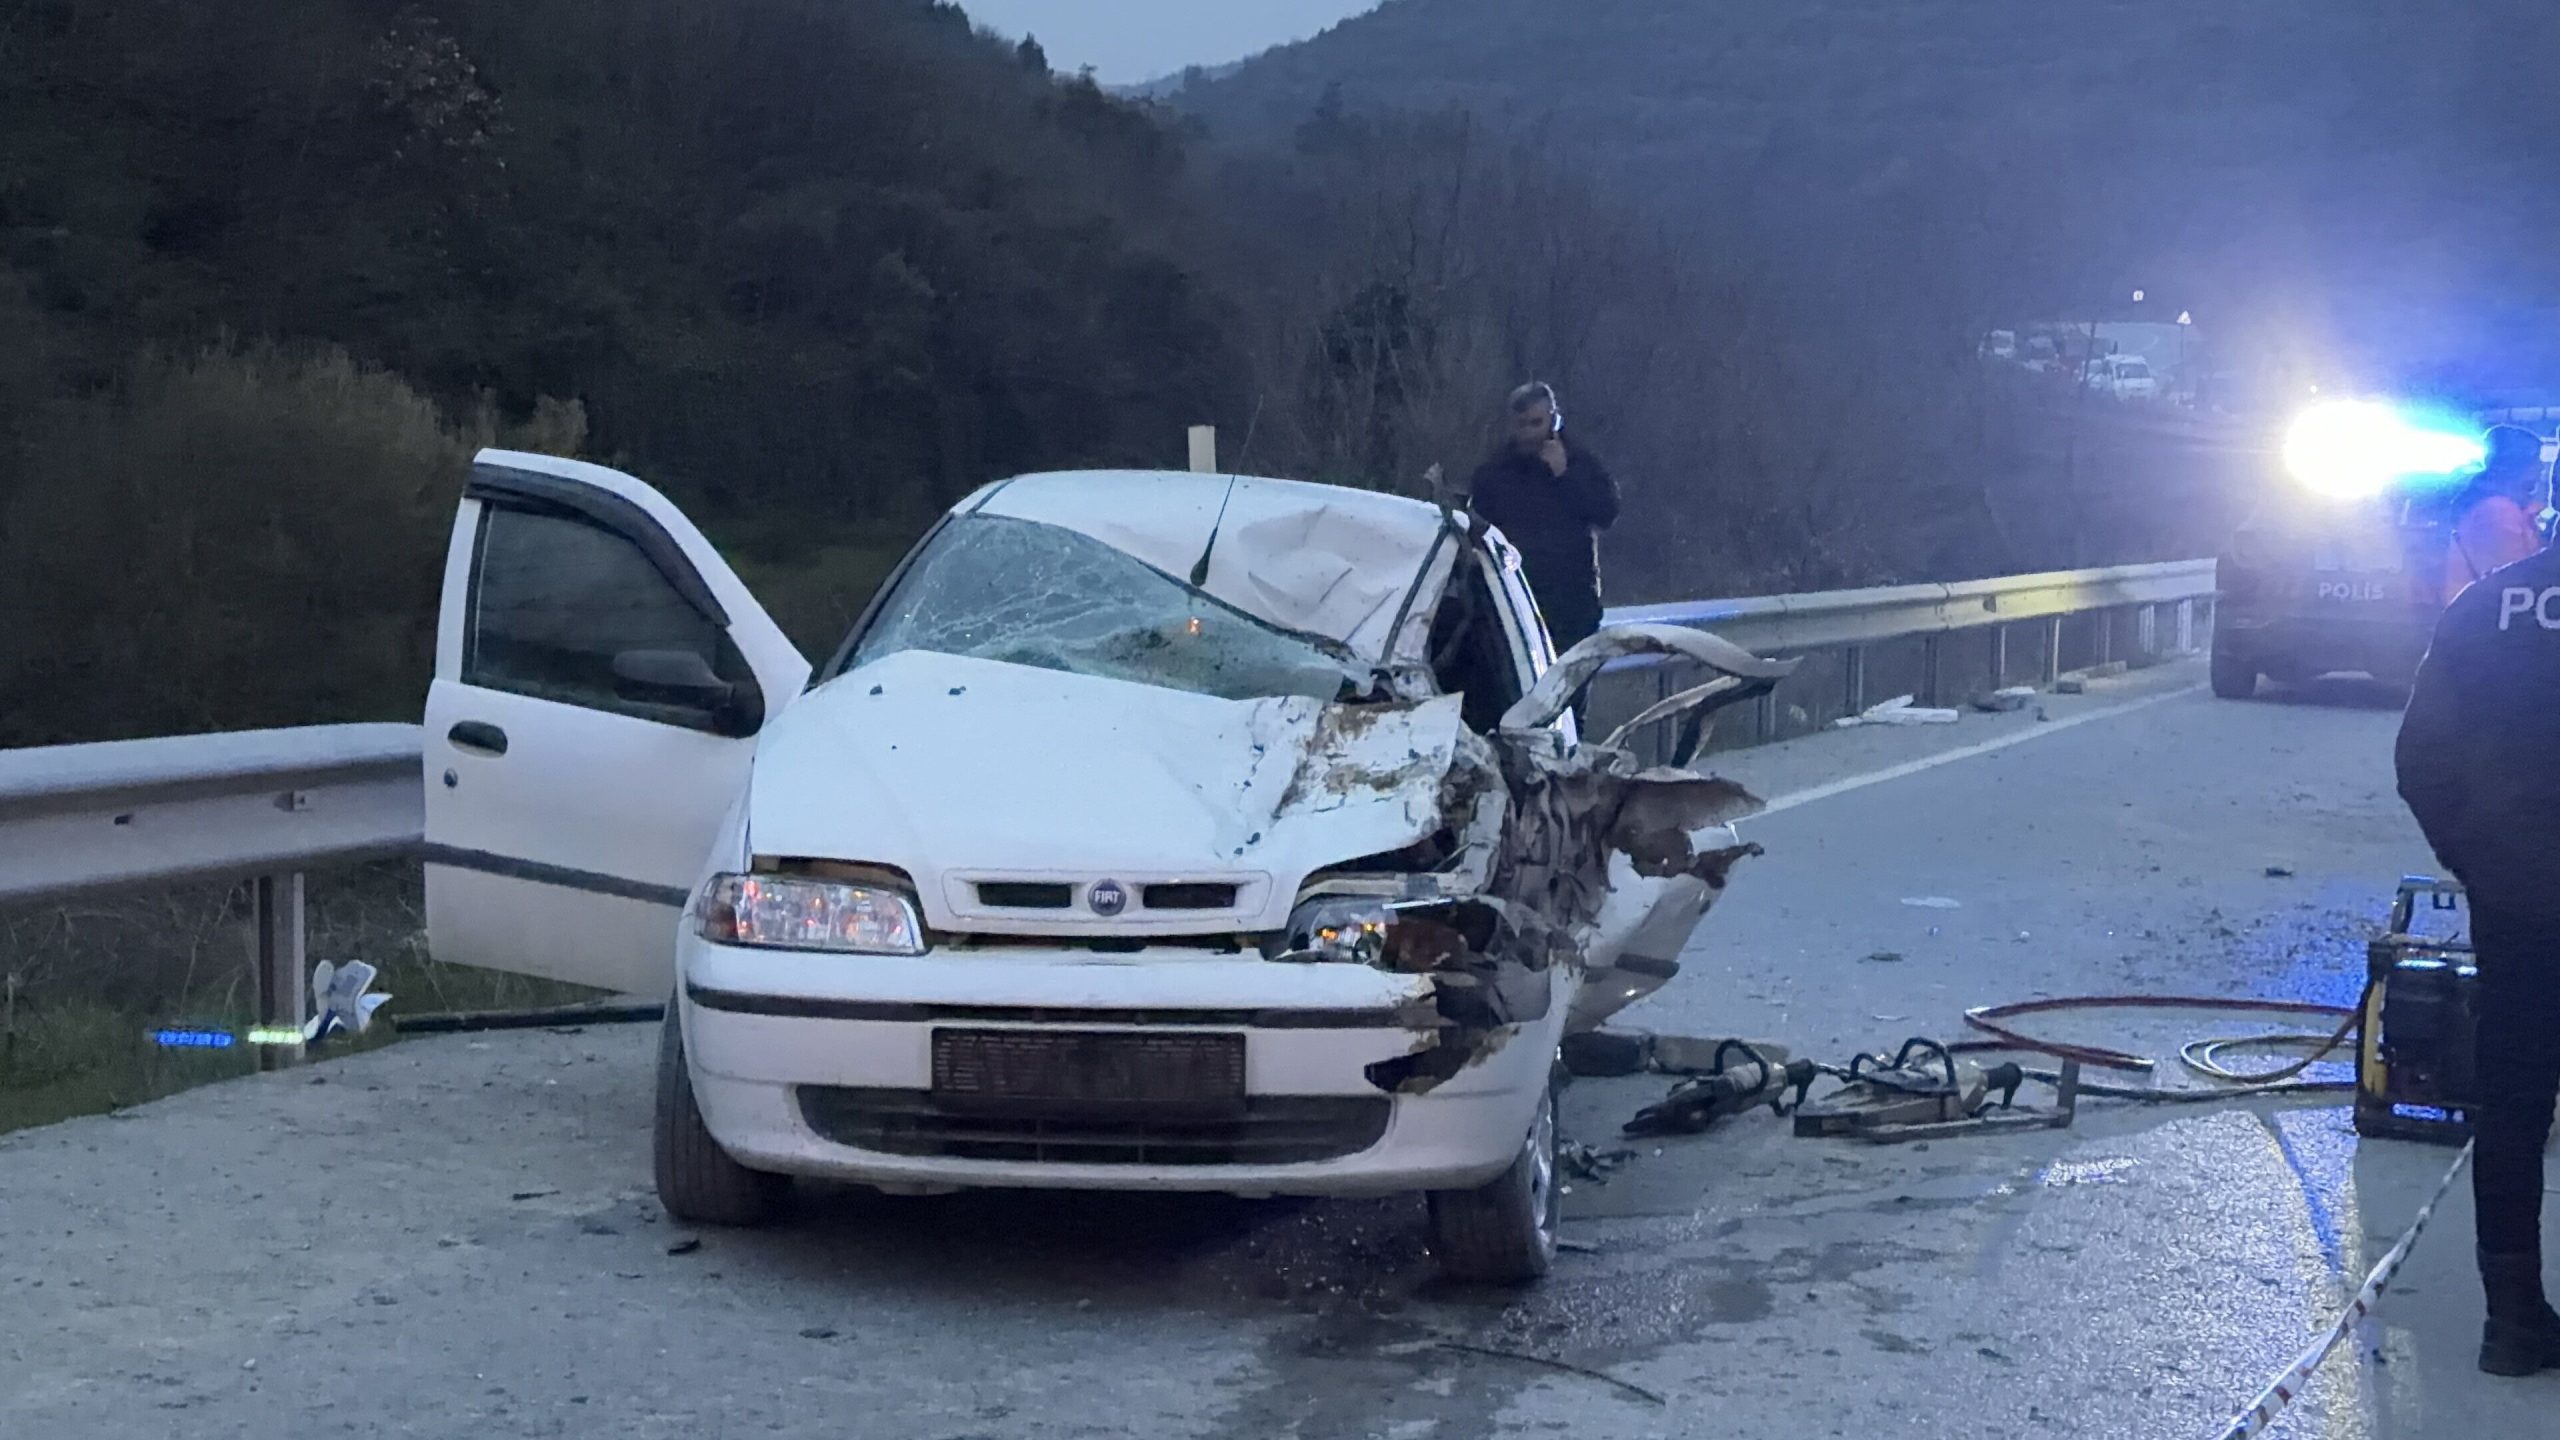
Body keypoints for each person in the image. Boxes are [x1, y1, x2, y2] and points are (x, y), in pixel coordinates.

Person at [2394, 491, 2560, 1377]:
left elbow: (2421, 761)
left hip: (2521, 904)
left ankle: (2513, 1321)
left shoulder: (2483, 608)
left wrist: (2482, 867)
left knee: (2515, 1106)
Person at [1465, 382, 1623, 656]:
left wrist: (1565, 475)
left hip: (1571, 609)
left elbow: (1606, 512)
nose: (1528, 433)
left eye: (1536, 423)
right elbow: (1476, 536)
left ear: (1554, 419)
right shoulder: (1494, 474)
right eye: (1521, 425)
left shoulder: (1580, 462)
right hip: (1515, 608)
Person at [2442, 425, 2547, 603]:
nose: (2541, 467)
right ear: (2516, 465)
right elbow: (2513, 577)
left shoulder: (2506, 507)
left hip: (2489, 611)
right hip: (2485, 613)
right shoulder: (2497, 511)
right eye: (2536, 460)